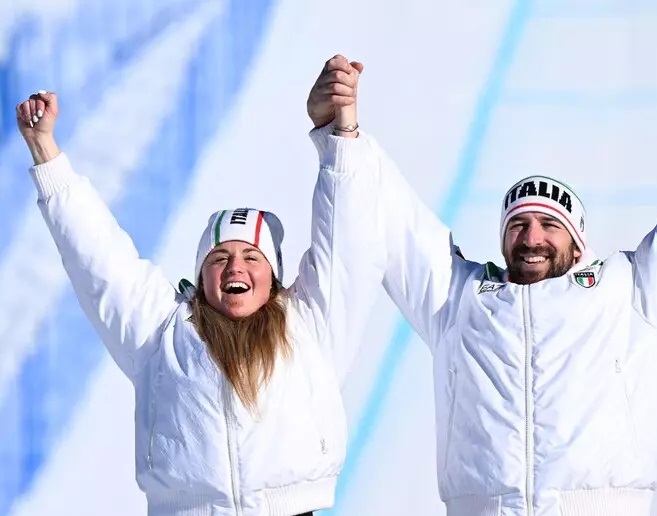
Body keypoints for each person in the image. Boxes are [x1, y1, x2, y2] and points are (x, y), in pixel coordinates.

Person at [309, 26, 657, 515]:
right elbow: (390, 216)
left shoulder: (635, 292)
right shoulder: (458, 299)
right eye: (518, 225)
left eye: (550, 225)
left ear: (578, 242)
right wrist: (341, 131)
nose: (532, 238)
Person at [15, 55, 382, 516]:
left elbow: (346, 239)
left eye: (252, 257)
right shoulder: (160, 331)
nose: (235, 268)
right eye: (219, 258)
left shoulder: (309, 323)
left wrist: (338, 133)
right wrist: (45, 150)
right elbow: (96, 257)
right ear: (200, 275)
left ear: (273, 277)